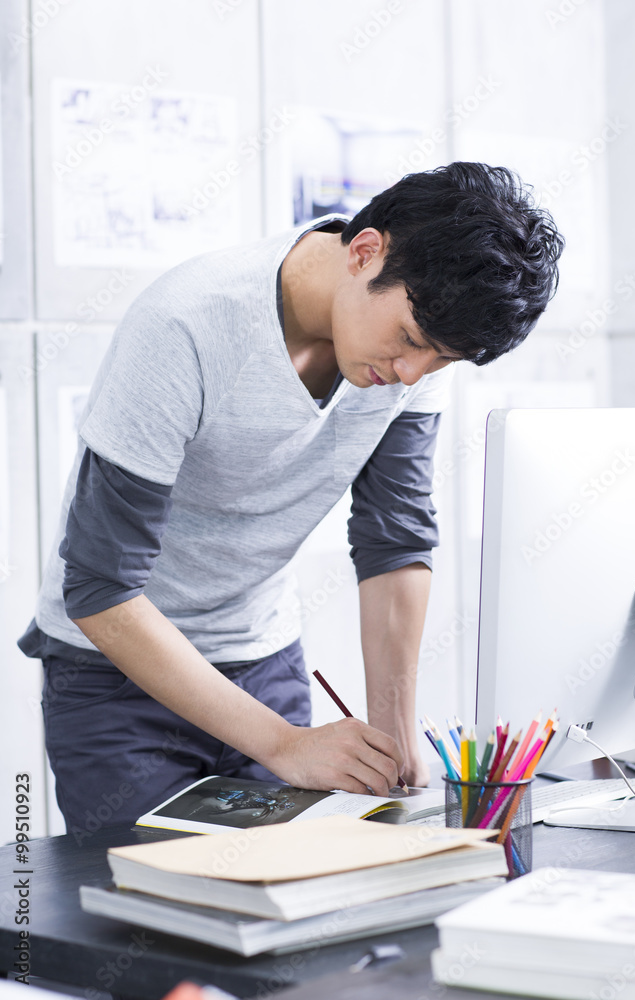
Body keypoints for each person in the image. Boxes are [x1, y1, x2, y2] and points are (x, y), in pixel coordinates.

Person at [18, 162, 564, 835]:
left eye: (441, 362)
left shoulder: (418, 347)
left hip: (262, 657)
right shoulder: (186, 324)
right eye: (412, 344)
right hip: (114, 677)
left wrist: (390, 737)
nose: (411, 375)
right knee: (159, 917)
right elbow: (100, 587)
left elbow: (393, 545)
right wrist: (281, 744)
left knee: (294, 904)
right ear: (365, 252)